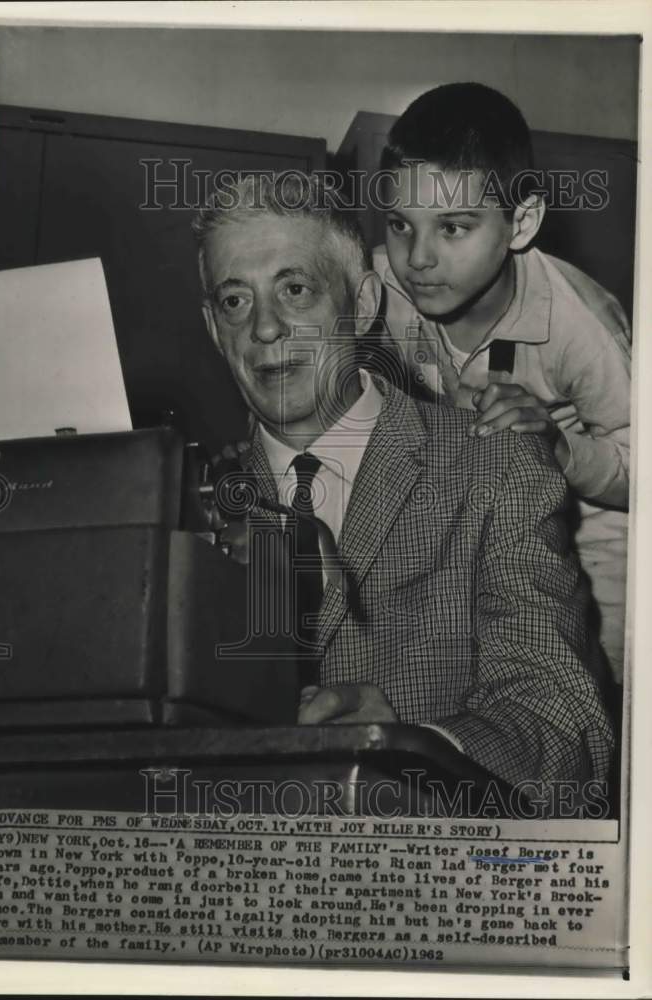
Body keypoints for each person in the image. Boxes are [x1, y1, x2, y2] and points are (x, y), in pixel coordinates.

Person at [191, 172, 613, 791]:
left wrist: (409, 752)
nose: (264, 329)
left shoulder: (497, 469)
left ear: (363, 305)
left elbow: (568, 732)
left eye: (296, 290)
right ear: (211, 327)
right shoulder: (184, 510)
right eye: (235, 301)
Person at [373, 82, 630, 687]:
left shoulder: (581, 323)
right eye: (400, 225)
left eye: (453, 227)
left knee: (591, 712)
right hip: (477, 526)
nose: (418, 259)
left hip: (598, 546)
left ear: (522, 221)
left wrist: (559, 446)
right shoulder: (380, 290)